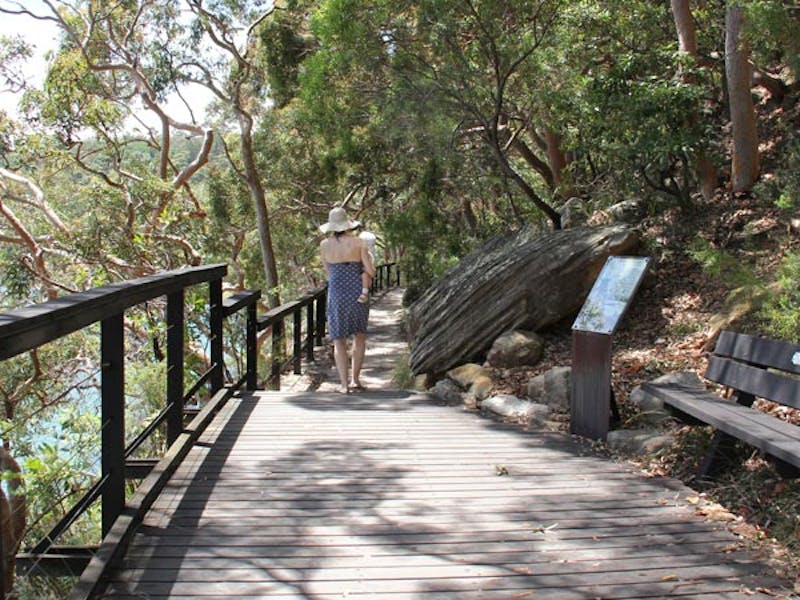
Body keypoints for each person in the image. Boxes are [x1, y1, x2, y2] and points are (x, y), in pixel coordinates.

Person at [319, 206, 376, 393]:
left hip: (336, 294)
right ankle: (355, 380)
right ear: (347, 225)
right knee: (359, 336)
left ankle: (343, 385)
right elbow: (371, 271)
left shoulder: (324, 245)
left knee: (339, 340)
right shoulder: (359, 242)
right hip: (357, 293)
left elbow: (328, 272)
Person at [357, 231, 377, 303]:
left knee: (365, 275)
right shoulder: (359, 252)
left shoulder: (369, 254)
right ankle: (364, 292)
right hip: (360, 273)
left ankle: (364, 293)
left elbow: (370, 266)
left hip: (365, 273)